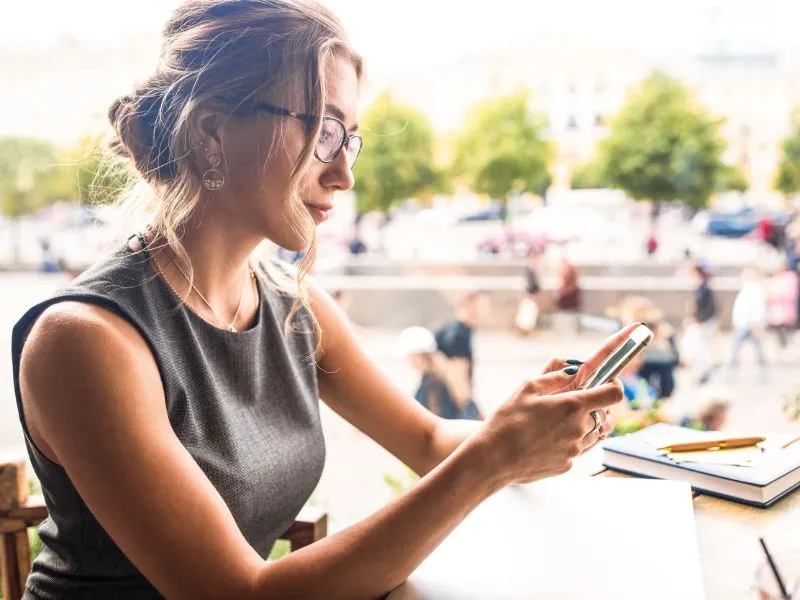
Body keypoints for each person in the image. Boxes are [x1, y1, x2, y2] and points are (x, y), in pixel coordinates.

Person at [10, 3, 628, 598]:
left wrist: (531, 429)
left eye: (349, 140)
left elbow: (430, 440)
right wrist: (492, 461)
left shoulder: (292, 303)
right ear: (212, 133)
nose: (344, 175)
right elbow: (232, 593)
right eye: (324, 130)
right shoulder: (86, 341)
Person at [396, 326, 472, 420]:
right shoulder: (439, 376)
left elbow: (434, 420)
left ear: (419, 354)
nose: (408, 360)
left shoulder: (434, 385)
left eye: (410, 356)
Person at [434, 292, 487, 420]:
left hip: (444, 398)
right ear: (470, 306)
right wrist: (471, 408)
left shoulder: (454, 330)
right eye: (482, 307)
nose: (485, 312)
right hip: (450, 401)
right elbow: (458, 375)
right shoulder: (458, 335)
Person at [728, 268, 768, 373]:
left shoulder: (755, 290)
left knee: (737, 342)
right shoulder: (748, 289)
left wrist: (757, 321)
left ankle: (734, 360)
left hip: (749, 322)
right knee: (755, 343)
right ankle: (762, 360)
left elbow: (757, 308)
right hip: (744, 322)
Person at [685, 262, 718, 384]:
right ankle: (703, 370)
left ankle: (704, 370)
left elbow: (706, 307)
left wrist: (698, 320)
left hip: (703, 322)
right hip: (703, 321)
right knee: (699, 347)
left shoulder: (704, 288)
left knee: (700, 347)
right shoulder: (702, 286)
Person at [767, 259, 799, 352]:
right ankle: (782, 349)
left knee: (788, 331)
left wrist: (778, 296)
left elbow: (791, 293)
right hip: (776, 310)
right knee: (778, 331)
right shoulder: (775, 278)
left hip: (787, 309)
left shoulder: (791, 277)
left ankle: (789, 349)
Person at [514, 249, 541, 336]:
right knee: (528, 314)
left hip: (531, 294)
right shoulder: (530, 269)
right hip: (530, 294)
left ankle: (526, 331)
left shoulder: (531, 269)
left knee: (528, 314)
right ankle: (526, 331)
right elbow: (529, 284)